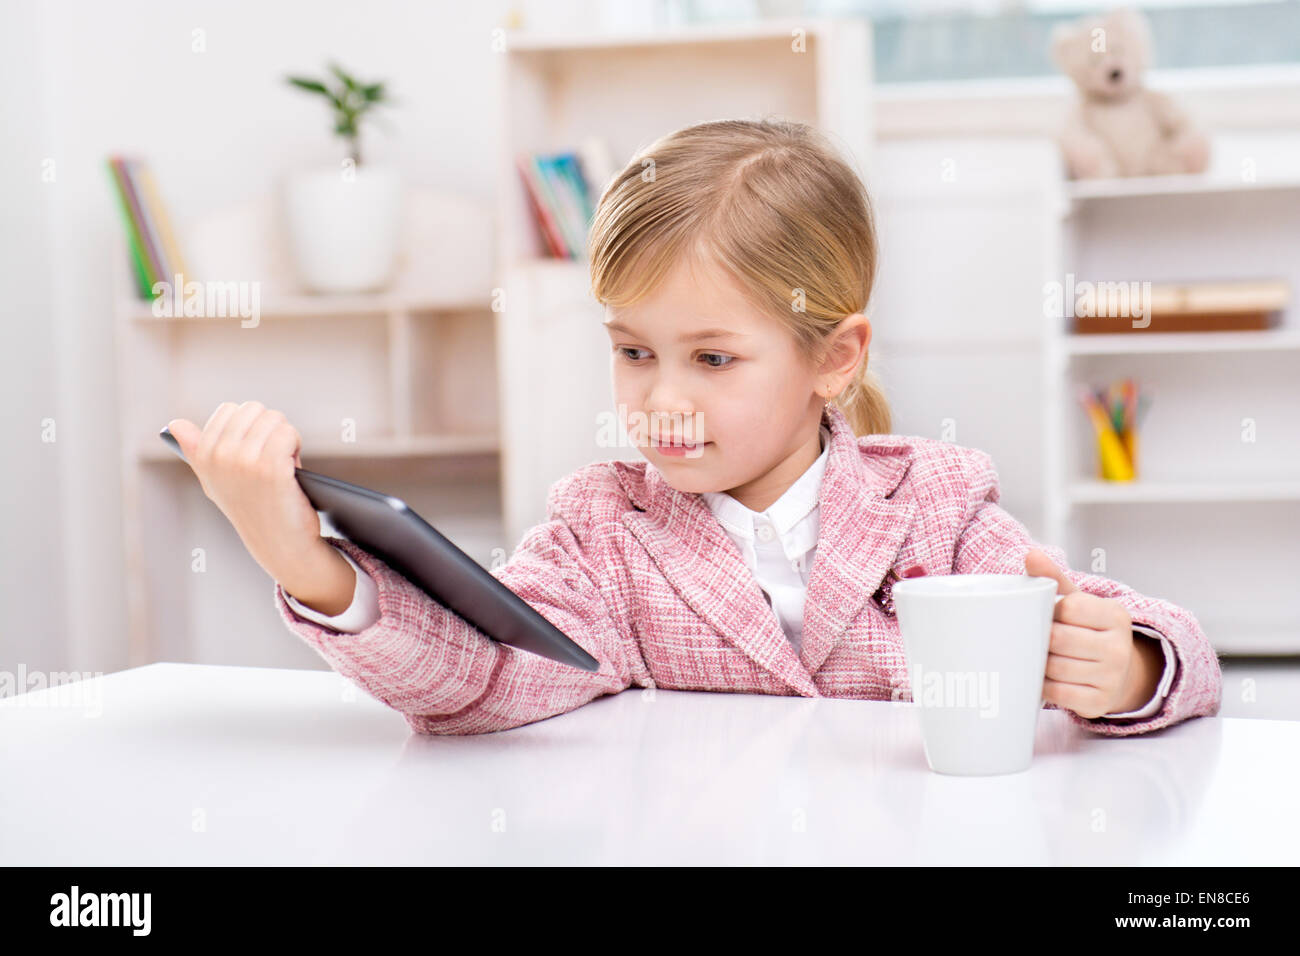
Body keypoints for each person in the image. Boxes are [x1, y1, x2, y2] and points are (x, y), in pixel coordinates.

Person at [166, 119, 1221, 736]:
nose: (661, 396)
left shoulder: (935, 504)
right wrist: (310, 566)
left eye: (712, 357)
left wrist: (1126, 667)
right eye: (633, 351)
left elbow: (1180, 649)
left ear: (834, 357)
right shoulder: (601, 528)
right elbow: (478, 681)